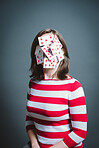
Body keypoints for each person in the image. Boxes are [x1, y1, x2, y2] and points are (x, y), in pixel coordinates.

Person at [25, 28, 87, 148]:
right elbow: (29, 120)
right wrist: (34, 144)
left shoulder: (74, 87)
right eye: (42, 46)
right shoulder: (32, 83)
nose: (46, 51)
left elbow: (80, 133)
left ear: (62, 51)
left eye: (51, 46)